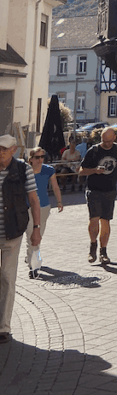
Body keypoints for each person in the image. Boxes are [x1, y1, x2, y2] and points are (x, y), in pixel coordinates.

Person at [0, 135, 41, 344]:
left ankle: (3, 327)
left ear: (14, 149)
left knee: (7, 278)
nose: (1, 153)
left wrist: (36, 229)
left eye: (5, 149)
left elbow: (34, 201)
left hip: (13, 232)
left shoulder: (23, 170)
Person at [78, 128, 117, 264]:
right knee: (94, 219)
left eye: (109, 141)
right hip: (94, 189)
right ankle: (92, 246)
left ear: (114, 138)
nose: (107, 144)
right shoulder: (94, 151)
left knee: (105, 221)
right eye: (104, 141)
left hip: (110, 190)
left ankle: (103, 252)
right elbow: (81, 171)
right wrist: (95, 170)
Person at [24, 147, 63, 278]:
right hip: (27, 207)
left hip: (43, 207)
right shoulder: (24, 171)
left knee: (37, 236)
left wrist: (59, 202)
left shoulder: (48, 170)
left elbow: (55, 186)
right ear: (31, 159)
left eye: (42, 157)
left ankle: (32, 259)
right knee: (31, 235)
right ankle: (33, 266)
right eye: (37, 157)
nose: (40, 160)